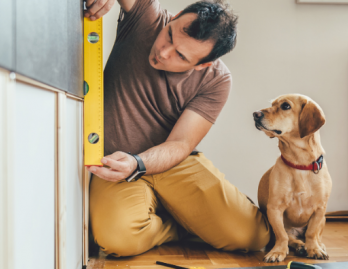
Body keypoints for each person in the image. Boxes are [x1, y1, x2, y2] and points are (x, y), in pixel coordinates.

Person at [83, 0, 270, 257]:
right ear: (178, 16)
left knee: (254, 236)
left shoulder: (217, 80)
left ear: (203, 64)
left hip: (174, 162)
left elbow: (181, 143)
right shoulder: (146, 16)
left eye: (181, 56)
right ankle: (179, 226)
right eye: (170, 35)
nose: (163, 52)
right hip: (116, 163)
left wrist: (139, 162)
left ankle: (184, 215)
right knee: (117, 240)